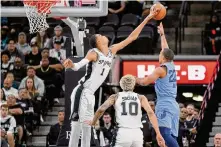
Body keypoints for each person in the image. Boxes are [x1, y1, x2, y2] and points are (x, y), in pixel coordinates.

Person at [63, 7, 160, 147]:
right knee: (76, 126)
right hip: (82, 91)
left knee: (87, 128)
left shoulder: (112, 50)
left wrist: (148, 17)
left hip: (91, 94)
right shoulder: (94, 52)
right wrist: (72, 64)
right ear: (98, 42)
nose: (103, 35)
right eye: (100, 36)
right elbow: (79, 66)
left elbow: (132, 37)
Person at [87, 75, 165, 147]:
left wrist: (93, 122)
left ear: (121, 85)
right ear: (134, 85)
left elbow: (101, 109)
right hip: (137, 134)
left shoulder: (115, 97)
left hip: (122, 132)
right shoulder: (141, 97)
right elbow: (151, 113)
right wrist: (158, 133)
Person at [136, 23, 180, 147]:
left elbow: (144, 82)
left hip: (164, 103)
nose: (159, 55)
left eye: (160, 54)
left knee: (163, 134)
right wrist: (162, 34)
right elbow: (165, 48)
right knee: (171, 136)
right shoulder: (171, 64)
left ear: (163, 57)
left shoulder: (160, 69)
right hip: (174, 105)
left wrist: (134, 79)